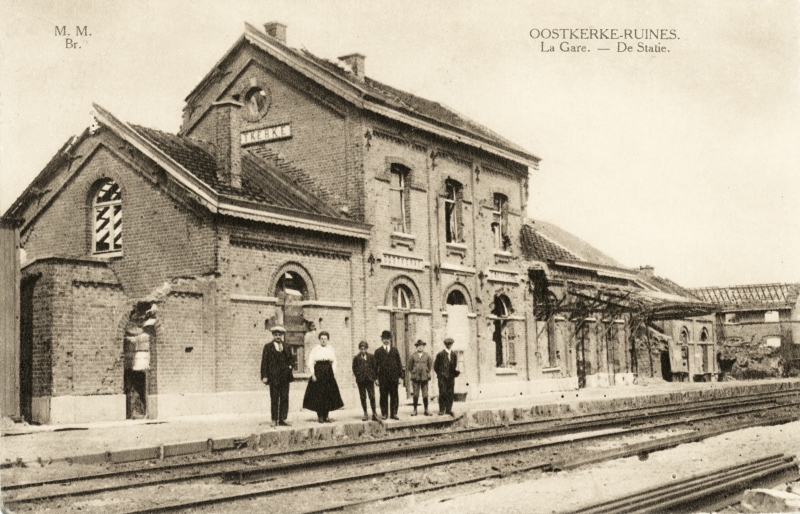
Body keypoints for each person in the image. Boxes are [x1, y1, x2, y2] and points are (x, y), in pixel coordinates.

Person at [302, 331, 344, 423]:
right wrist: (313, 374)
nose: (323, 340)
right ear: (319, 340)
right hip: (319, 371)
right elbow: (311, 362)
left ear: (327, 340)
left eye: (325, 339)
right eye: (322, 339)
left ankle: (326, 415)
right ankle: (320, 415)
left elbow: (334, 361)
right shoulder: (316, 349)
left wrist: (333, 373)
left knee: (328, 394)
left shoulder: (330, 349)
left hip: (328, 372)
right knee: (318, 394)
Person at [261, 326, 294, 427]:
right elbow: (264, 362)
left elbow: (291, 359)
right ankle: (274, 419)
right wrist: (264, 376)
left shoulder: (287, 346)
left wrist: (290, 366)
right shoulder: (268, 347)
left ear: (282, 336)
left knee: (284, 398)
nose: (278, 337)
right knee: (275, 398)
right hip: (274, 377)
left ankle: (282, 419)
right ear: (273, 335)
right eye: (276, 335)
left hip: (284, 377)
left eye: (279, 335)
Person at [374, 330, 403, 420]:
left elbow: (399, 364)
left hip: (393, 378)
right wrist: (376, 378)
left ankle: (394, 413)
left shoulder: (394, 350)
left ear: (390, 339)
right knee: (383, 396)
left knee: (394, 395)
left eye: (388, 338)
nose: (386, 340)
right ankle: (384, 413)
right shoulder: (378, 352)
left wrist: (400, 377)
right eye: (384, 339)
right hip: (383, 378)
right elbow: (375, 366)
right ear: (382, 340)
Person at [352, 340, 378, 421]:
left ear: (367, 349)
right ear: (359, 349)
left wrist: (374, 378)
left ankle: (374, 413)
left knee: (372, 396)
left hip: (369, 380)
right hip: (361, 381)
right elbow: (354, 369)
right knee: (363, 397)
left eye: (364, 349)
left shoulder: (371, 357)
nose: (363, 350)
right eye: (361, 349)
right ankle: (365, 413)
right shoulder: (356, 358)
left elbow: (375, 368)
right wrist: (358, 376)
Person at [434, 337, 459, 416]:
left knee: (450, 393)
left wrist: (454, 373)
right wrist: (440, 374)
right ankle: (441, 409)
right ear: (445, 345)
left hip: (451, 377)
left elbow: (454, 366)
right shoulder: (440, 355)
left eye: (450, 344)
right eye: (447, 344)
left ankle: (448, 409)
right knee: (442, 392)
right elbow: (435, 366)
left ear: (452, 345)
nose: (449, 346)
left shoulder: (454, 355)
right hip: (442, 378)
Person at [408, 339, 432, 416]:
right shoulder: (413, 356)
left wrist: (426, 371)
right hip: (416, 377)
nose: (420, 347)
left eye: (422, 346)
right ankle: (415, 410)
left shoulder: (427, 356)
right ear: (416, 347)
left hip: (424, 377)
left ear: (423, 347)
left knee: (425, 394)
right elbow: (409, 367)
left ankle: (426, 410)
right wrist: (414, 372)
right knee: (415, 394)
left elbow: (430, 365)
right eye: (419, 346)